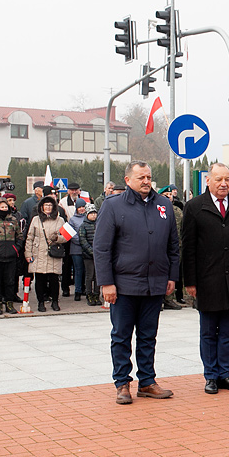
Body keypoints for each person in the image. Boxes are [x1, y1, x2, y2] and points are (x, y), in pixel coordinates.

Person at [95, 161, 179, 405]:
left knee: (148, 336)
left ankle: (147, 382)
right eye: (141, 177)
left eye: (149, 177)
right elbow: (101, 248)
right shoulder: (113, 206)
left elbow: (173, 245)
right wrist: (106, 283)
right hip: (123, 285)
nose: (146, 181)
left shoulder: (163, 205)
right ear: (128, 179)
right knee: (121, 336)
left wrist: (171, 276)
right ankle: (122, 383)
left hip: (155, 283)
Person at [182, 162, 229, 395]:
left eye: (227, 179)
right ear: (208, 180)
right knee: (208, 331)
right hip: (208, 279)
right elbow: (189, 247)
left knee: (228, 331)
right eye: (218, 179)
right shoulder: (194, 207)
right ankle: (211, 375)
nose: (224, 184)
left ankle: (225, 372)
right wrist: (190, 281)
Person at [26, 196, 65, 312]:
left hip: (54, 254)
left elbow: (66, 237)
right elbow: (29, 237)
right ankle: (40, 302)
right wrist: (28, 253)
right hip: (39, 253)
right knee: (40, 280)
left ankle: (55, 302)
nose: (48, 207)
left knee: (54, 280)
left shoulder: (60, 220)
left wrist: (57, 238)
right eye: (46, 205)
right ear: (41, 207)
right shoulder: (35, 220)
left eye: (50, 205)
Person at [67, 198, 88, 302]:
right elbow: (71, 234)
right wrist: (82, 241)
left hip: (87, 249)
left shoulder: (88, 218)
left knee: (87, 271)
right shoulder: (72, 219)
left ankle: (86, 289)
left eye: (83, 207)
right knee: (78, 271)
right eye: (80, 207)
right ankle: (77, 291)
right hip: (76, 249)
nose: (82, 209)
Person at [78, 203, 99, 306]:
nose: (93, 215)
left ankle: (96, 294)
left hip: (99, 255)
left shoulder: (99, 224)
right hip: (88, 256)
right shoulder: (83, 226)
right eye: (91, 213)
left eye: (95, 213)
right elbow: (82, 240)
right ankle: (89, 295)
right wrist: (92, 252)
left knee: (97, 276)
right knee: (89, 276)